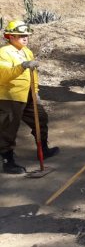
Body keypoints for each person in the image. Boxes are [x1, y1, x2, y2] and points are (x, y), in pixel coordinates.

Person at [0, 20, 60, 174]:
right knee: (9, 127)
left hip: (29, 94)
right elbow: (3, 75)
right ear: (11, 36)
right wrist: (22, 66)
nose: (25, 38)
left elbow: (33, 74)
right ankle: (7, 161)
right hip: (10, 96)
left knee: (40, 119)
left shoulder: (27, 51)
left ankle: (43, 149)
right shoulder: (4, 52)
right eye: (21, 35)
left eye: (26, 35)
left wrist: (36, 90)